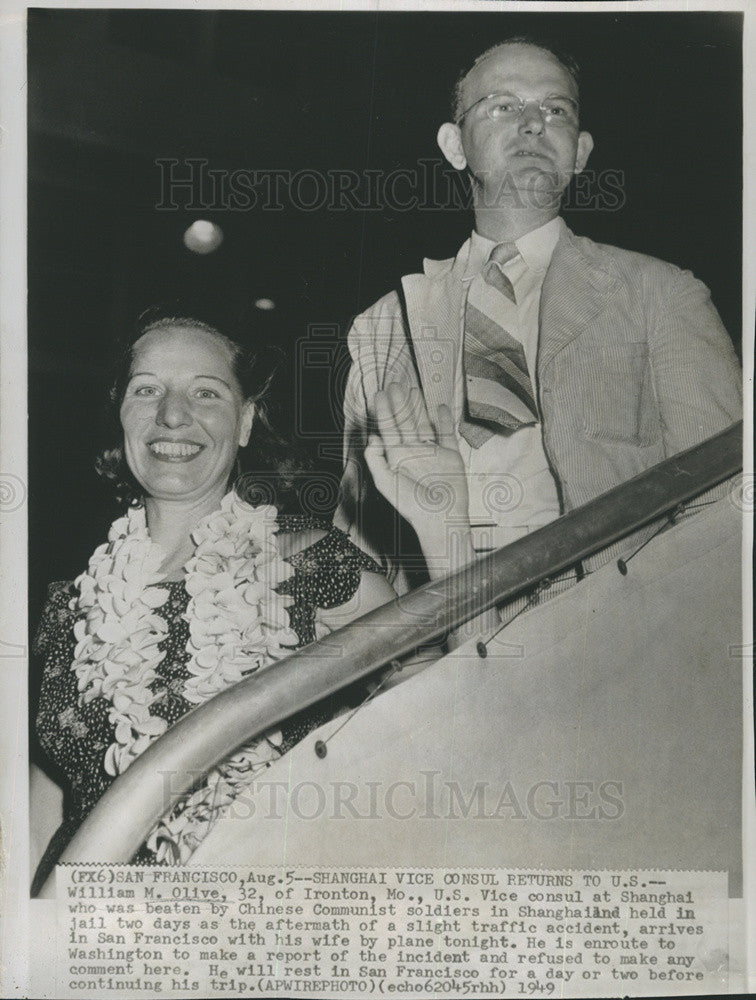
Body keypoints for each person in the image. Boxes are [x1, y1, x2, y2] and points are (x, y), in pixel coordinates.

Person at [338, 35, 742, 591]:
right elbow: (357, 538)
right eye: (503, 106)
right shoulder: (384, 325)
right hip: (436, 633)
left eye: (556, 110)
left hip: (607, 625)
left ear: (579, 152)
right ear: (455, 146)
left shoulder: (662, 294)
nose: (533, 124)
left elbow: (727, 493)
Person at [31, 310, 401, 891]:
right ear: (121, 415)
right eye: (146, 389)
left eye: (206, 392)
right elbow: (50, 791)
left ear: (247, 420)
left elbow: (440, 694)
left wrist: (440, 520)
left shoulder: (308, 564)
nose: (172, 415)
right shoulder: (70, 605)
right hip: (80, 924)